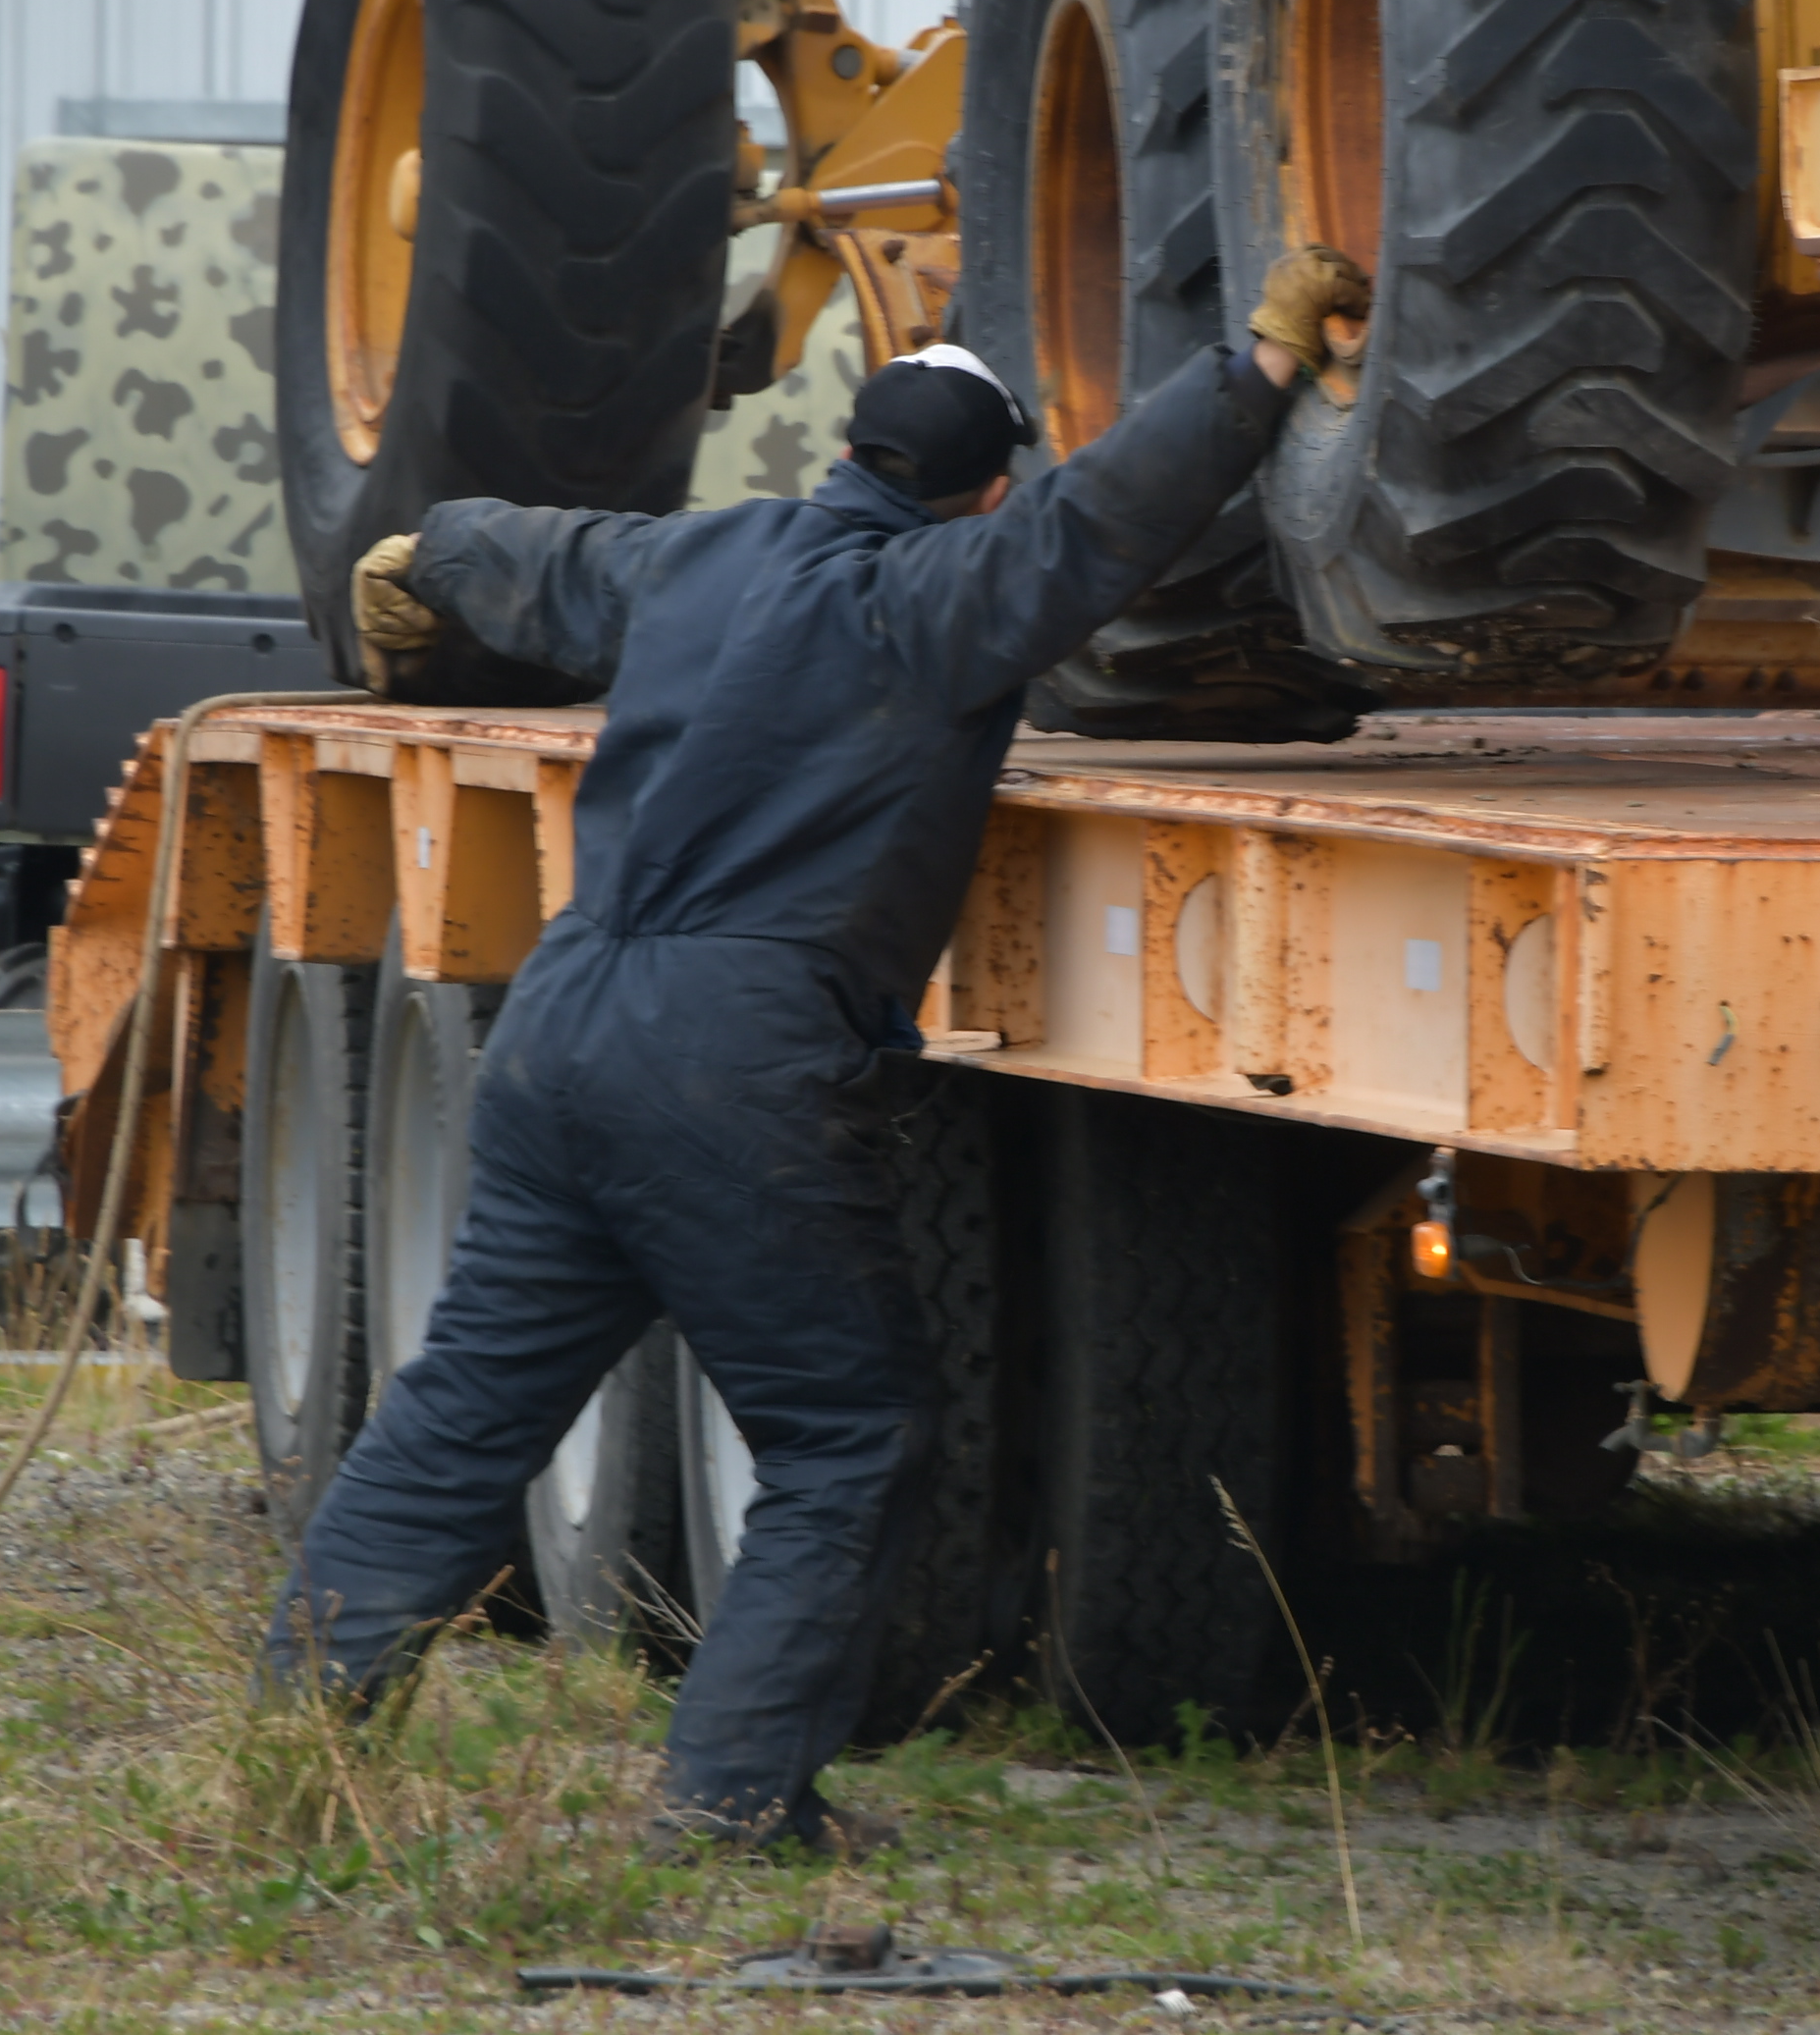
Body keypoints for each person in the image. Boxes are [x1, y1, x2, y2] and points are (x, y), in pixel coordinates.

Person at [259, 242, 1375, 1856]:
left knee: (461, 1420)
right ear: (984, 497)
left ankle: (296, 1749)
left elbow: (543, 554)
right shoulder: (941, 598)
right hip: (732, 1059)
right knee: (848, 1437)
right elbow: (1110, 518)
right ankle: (730, 1799)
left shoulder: (698, 568)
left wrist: (422, 552)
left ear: (856, 457)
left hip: (565, 1026)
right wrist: (1265, 366)